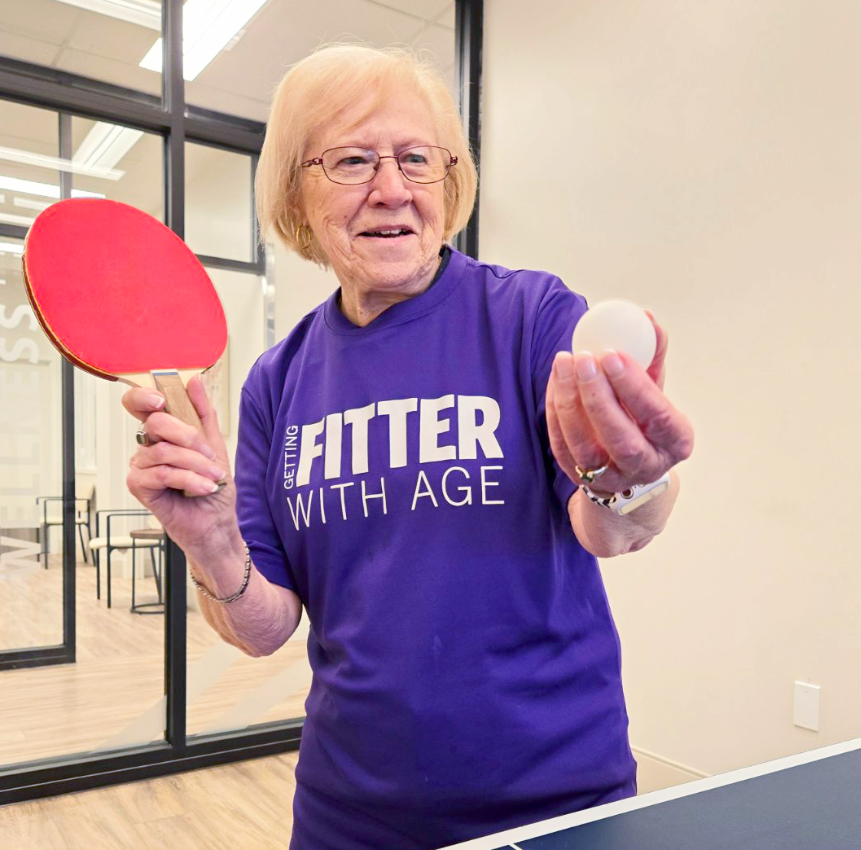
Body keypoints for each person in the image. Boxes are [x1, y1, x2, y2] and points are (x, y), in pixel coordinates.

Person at [124, 44, 693, 850]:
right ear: (297, 193)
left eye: (416, 159)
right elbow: (261, 627)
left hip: (557, 801)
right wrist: (214, 546)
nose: (391, 190)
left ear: (448, 181)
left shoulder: (530, 316)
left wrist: (629, 483)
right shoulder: (276, 383)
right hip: (348, 813)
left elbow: (612, 527)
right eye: (352, 160)